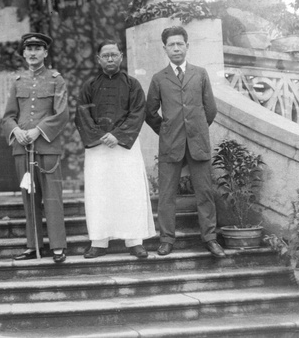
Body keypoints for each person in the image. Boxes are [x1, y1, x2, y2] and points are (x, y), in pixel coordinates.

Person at [145, 26, 226, 258]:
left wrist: (196, 129)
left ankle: (210, 238)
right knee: (167, 194)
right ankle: (166, 239)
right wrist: (168, 130)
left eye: (180, 44)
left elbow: (210, 109)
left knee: (205, 192)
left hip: (197, 142)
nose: (176, 48)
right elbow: (150, 112)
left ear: (187, 46)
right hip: (170, 144)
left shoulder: (199, 74)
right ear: (165, 49)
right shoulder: (159, 78)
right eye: (172, 45)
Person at [74, 39, 156, 259]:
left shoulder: (133, 84)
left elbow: (138, 112)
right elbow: (82, 114)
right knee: (99, 193)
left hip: (125, 148)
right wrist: (100, 136)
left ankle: (135, 240)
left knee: (130, 192)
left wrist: (118, 135)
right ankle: (99, 241)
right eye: (105, 55)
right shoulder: (89, 86)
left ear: (121, 56)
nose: (110, 59)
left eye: (114, 55)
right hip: (98, 148)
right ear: (98, 59)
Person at [2, 32, 69, 263]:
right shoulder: (18, 82)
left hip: (47, 148)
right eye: (29, 49)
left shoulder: (56, 79)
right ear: (23, 53)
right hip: (23, 148)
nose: (32, 53)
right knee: (29, 198)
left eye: (37, 49)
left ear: (45, 53)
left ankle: (58, 247)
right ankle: (33, 246)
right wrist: (17, 131)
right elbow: (8, 117)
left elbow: (62, 114)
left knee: (52, 198)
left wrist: (37, 131)